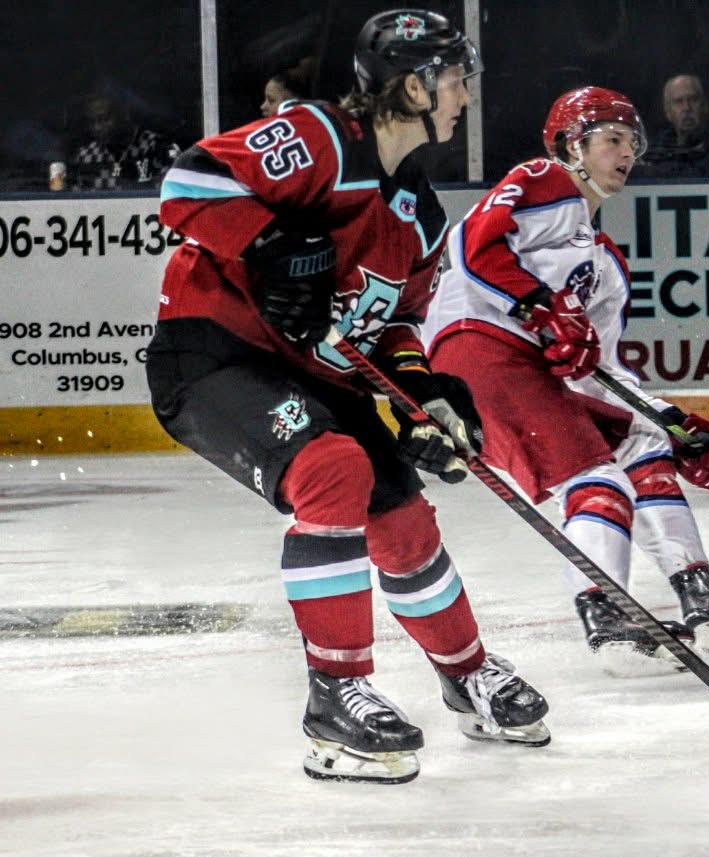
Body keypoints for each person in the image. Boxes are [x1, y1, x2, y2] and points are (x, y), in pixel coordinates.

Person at [145, 9, 550, 785]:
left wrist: (423, 393)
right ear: (412, 86)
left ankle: (465, 671)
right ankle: (334, 696)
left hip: (313, 371)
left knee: (401, 510)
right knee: (333, 470)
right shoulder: (322, 137)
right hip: (213, 352)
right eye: (454, 78)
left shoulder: (421, 217)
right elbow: (188, 182)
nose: (466, 95)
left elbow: (391, 325)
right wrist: (271, 242)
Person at [419, 86, 709, 670]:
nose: (627, 153)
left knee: (642, 437)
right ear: (571, 146)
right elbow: (472, 248)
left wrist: (676, 424)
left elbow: (602, 373)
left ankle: (699, 592)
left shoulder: (605, 264)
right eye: (612, 139)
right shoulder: (544, 180)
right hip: (474, 353)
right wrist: (540, 305)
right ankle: (608, 618)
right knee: (597, 479)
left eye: (632, 142)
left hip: (525, 371)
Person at [70, 92, 181, 190]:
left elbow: (171, 194)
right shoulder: (86, 155)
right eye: (92, 122)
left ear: (123, 114)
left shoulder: (158, 147)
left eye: (104, 119)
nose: (97, 127)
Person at [633, 73, 709, 178]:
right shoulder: (655, 152)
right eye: (678, 101)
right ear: (668, 112)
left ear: (705, 106)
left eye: (693, 99)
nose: (687, 108)